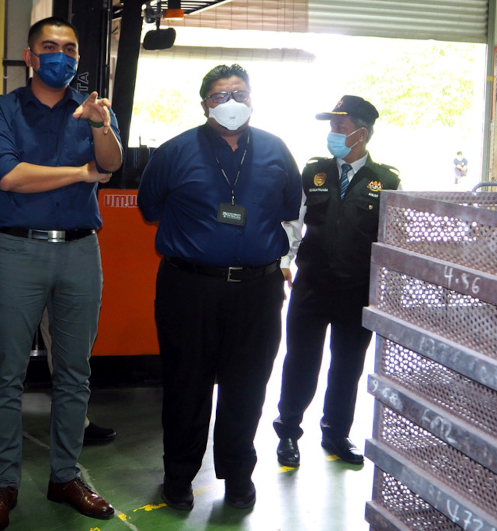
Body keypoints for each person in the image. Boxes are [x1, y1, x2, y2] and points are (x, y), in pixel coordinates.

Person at [0, 16, 121, 531]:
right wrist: (82, 174)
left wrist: (100, 125)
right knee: (7, 375)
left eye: (70, 48)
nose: (61, 55)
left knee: (74, 373)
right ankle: (3, 484)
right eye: (50, 47)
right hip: (19, 252)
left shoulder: (94, 109)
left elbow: (111, 163)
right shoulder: (2, 109)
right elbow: (8, 174)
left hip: (81, 251)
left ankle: (66, 475)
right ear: (30, 54)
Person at [137, 63, 301, 512]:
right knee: (186, 385)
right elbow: (149, 207)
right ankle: (179, 476)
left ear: (253, 99)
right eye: (220, 96)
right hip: (189, 289)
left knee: (247, 386)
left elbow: (289, 205)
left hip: (258, 291)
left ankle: (238, 475)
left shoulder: (275, 150)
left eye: (240, 94)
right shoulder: (174, 152)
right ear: (204, 103)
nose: (231, 104)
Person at [273, 96, 400, 469]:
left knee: (347, 365)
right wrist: (285, 262)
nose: (333, 133)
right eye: (331, 126)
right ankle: (288, 433)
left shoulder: (387, 181)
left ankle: (335, 433)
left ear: (362, 132)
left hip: (357, 291)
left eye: (340, 127)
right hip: (311, 285)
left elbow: (391, 239)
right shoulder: (314, 173)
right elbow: (294, 222)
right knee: (301, 362)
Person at [0, 169, 116, 448]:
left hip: (64, 253)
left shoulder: (68, 155)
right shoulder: (3, 153)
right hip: (14, 254)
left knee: (64, 338)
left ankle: (75, 421)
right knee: (0, 341)